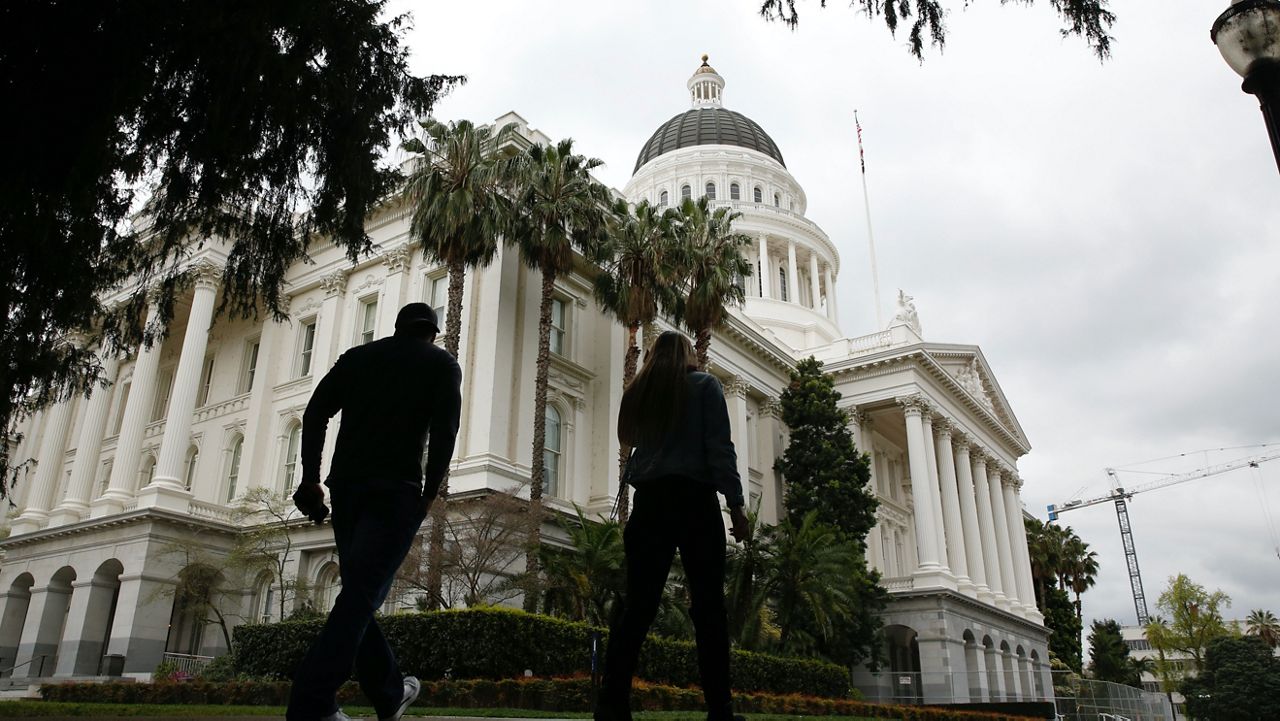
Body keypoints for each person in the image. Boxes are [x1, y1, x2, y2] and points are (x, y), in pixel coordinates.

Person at [286, 302, 462, 721]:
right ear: (432, 333)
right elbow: (444, 434)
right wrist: (430, 493)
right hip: (395, 492)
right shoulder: (441, 365)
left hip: (346, 488)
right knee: (362, 595)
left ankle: (388, 694)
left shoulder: (359, 358)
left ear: (397, 328)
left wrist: (311, 477)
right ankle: (311, 703)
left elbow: (315, 413)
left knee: (359, 595)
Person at [597, 331, 750, 721]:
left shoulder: (640, 392)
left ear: (652, 356)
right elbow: (720, 449)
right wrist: (735, 506)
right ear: (688, 354)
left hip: (649, 503)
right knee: (709, 607)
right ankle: (720, 709)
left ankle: (612, 704)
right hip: (694, 502)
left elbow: (627, 438)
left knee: (637, 607)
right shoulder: (704, 385)